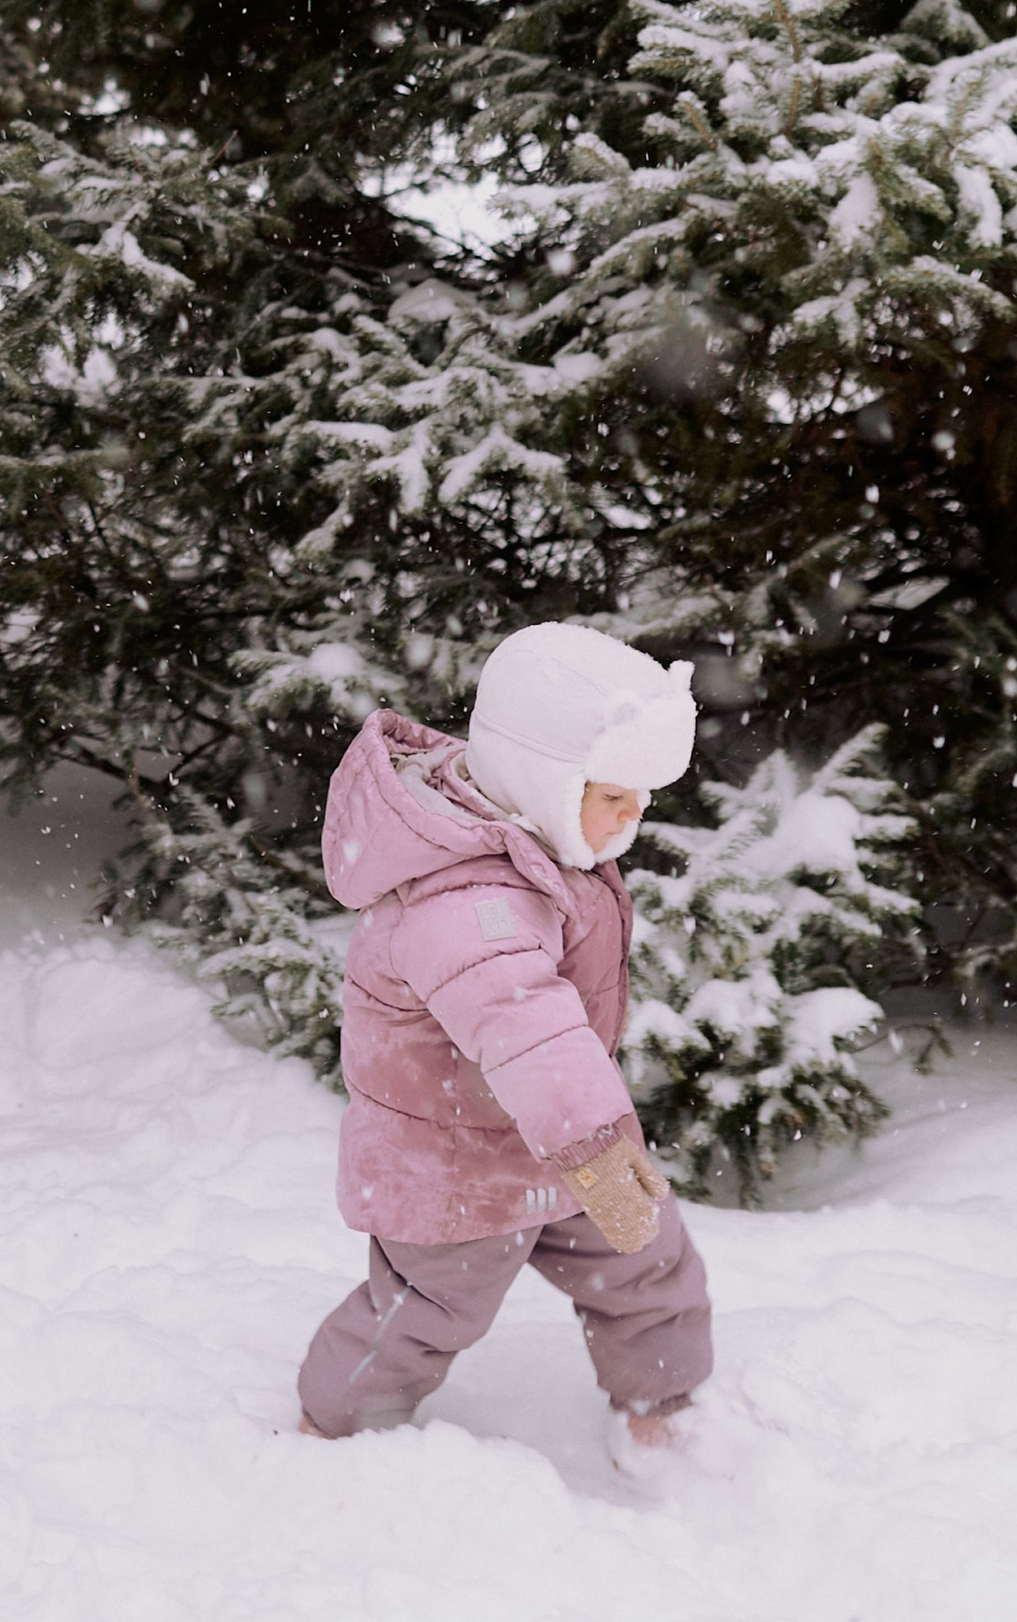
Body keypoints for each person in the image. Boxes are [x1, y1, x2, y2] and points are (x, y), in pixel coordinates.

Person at [295, 620, 713, 1458]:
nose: (636, 814)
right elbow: (531, 1029)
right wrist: (597, 1147)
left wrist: (585, 1147)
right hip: (455, 1165)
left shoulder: (535, 834)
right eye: (615, 795)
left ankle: (663, 1409)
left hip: (550, 1140)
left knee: (645, 1258)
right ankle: (333, 1431)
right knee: (426, 1310)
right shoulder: (468, 901)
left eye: (643, 795)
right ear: (541, 779)